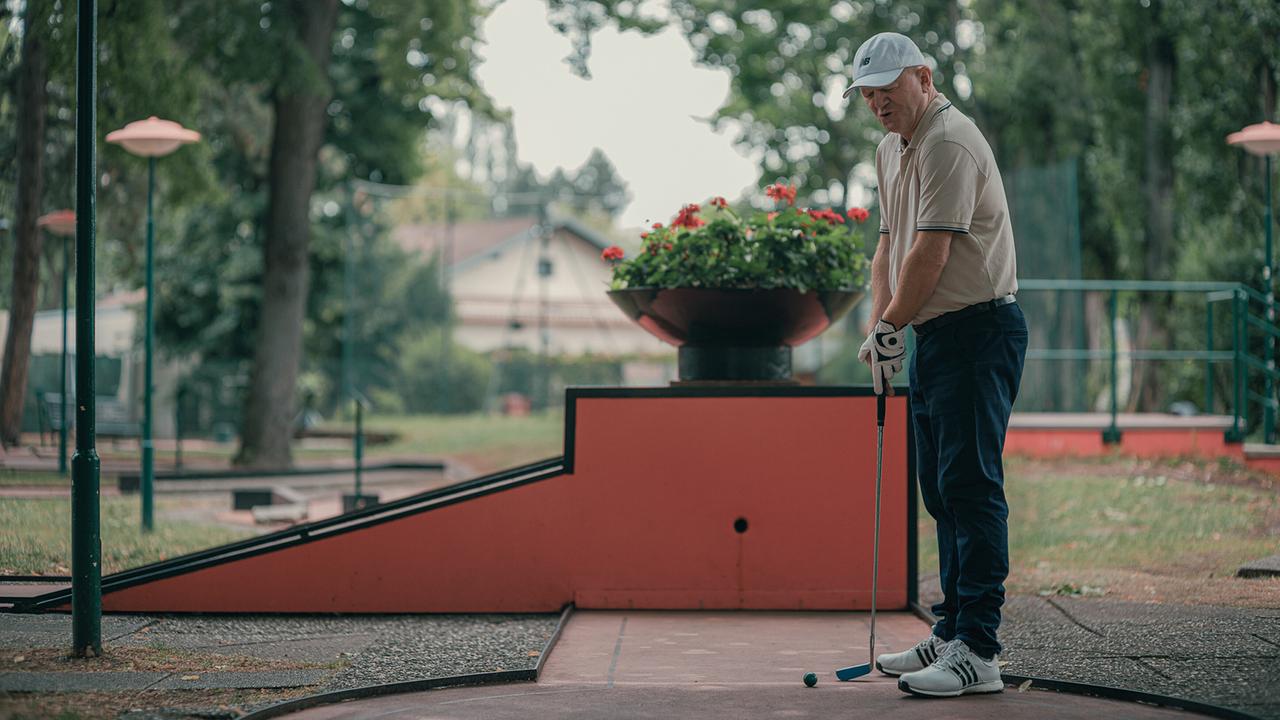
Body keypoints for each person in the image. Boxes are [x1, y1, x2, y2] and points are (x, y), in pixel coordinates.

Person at [847, 32, 1028, 698]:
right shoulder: (890, 149)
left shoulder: (949, 141)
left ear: (922, 78)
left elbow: (931, 253)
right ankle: (951, 630)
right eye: (867, 94)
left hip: (979, 332)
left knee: (971, 489)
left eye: (888, 89)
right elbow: (887, 249)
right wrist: (881, 331)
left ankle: (978, 650)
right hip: (936, 335)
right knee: (941, 492)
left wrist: (894, 323)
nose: (877, 103)